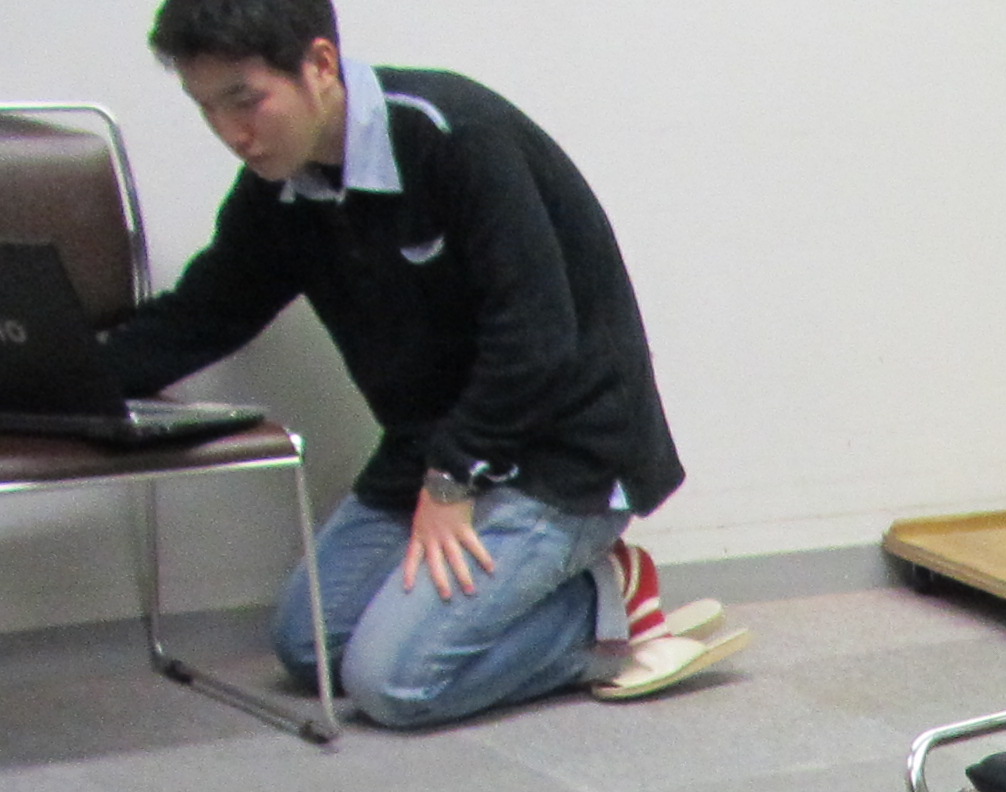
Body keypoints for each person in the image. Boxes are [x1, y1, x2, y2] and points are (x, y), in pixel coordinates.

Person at [104, 0, 743, 727]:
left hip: (564, 456)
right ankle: (555, 595)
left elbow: (537, 338)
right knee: (308, 648)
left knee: (394, 686)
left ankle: (604, 606)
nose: (231, 132)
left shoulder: (455, 137)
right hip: (432, 450)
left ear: (319, 65)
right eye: (207, 108)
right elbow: (201, 316)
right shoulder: (279, 191)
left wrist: (452, 478)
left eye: (245, 101)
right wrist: (57, 385)